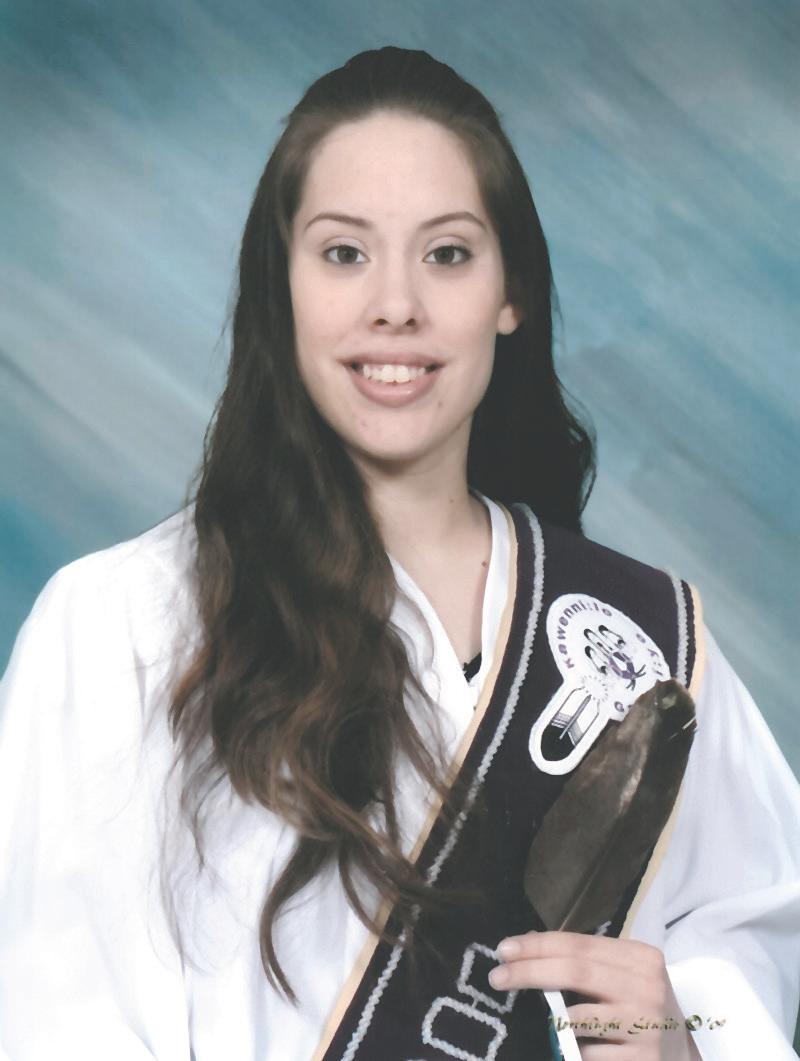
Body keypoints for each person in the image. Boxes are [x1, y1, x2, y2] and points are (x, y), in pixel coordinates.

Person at [0, 46, 798, 1061]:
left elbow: (753, 940)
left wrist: (681, 1032)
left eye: (447, 254)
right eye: (343, 253)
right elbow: (51, 1016)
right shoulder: (122, 624)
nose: (395, 304)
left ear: (510, 292)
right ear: (281, 287)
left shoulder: (635, 639)